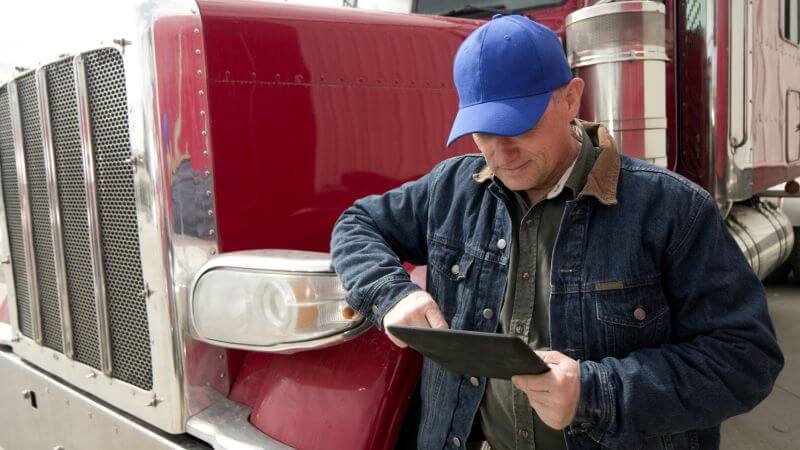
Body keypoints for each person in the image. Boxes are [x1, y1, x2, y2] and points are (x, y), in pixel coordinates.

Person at [329, 14, 783, 450]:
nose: (501, 154)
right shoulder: (452, 188)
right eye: (483, 132)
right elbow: (357, 224)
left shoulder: (672, 210)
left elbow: (745, 361)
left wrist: (594, 391)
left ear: (570, 97)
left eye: (519, 126)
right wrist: (392, 294)